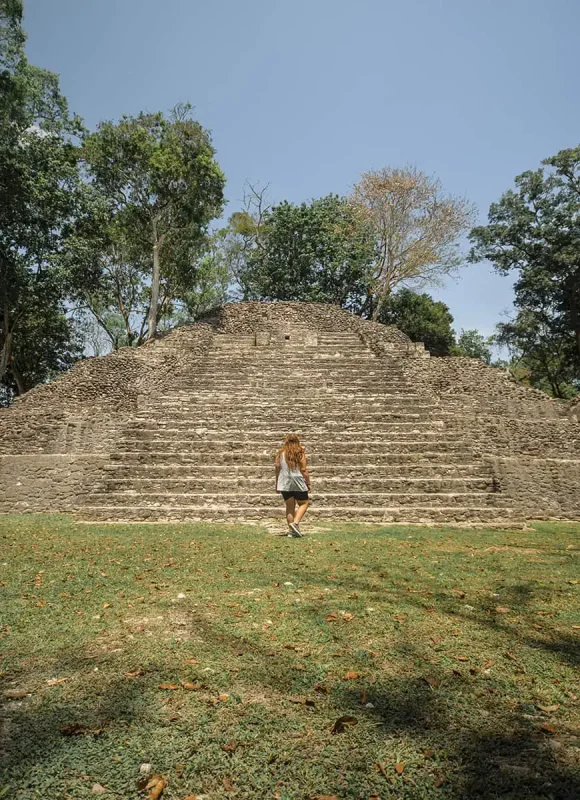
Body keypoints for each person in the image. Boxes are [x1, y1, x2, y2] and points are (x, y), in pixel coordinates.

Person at [275, 433, 311, 537]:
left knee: (290, 506)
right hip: (297, 480)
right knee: (304, 503)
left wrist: (277, 483)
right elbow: (303, 469)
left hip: (284, 481)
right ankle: (295, 523)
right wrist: (308, 483)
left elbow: (277, 467)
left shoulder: (280, 453)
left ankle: (291, 531)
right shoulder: (300, 452)